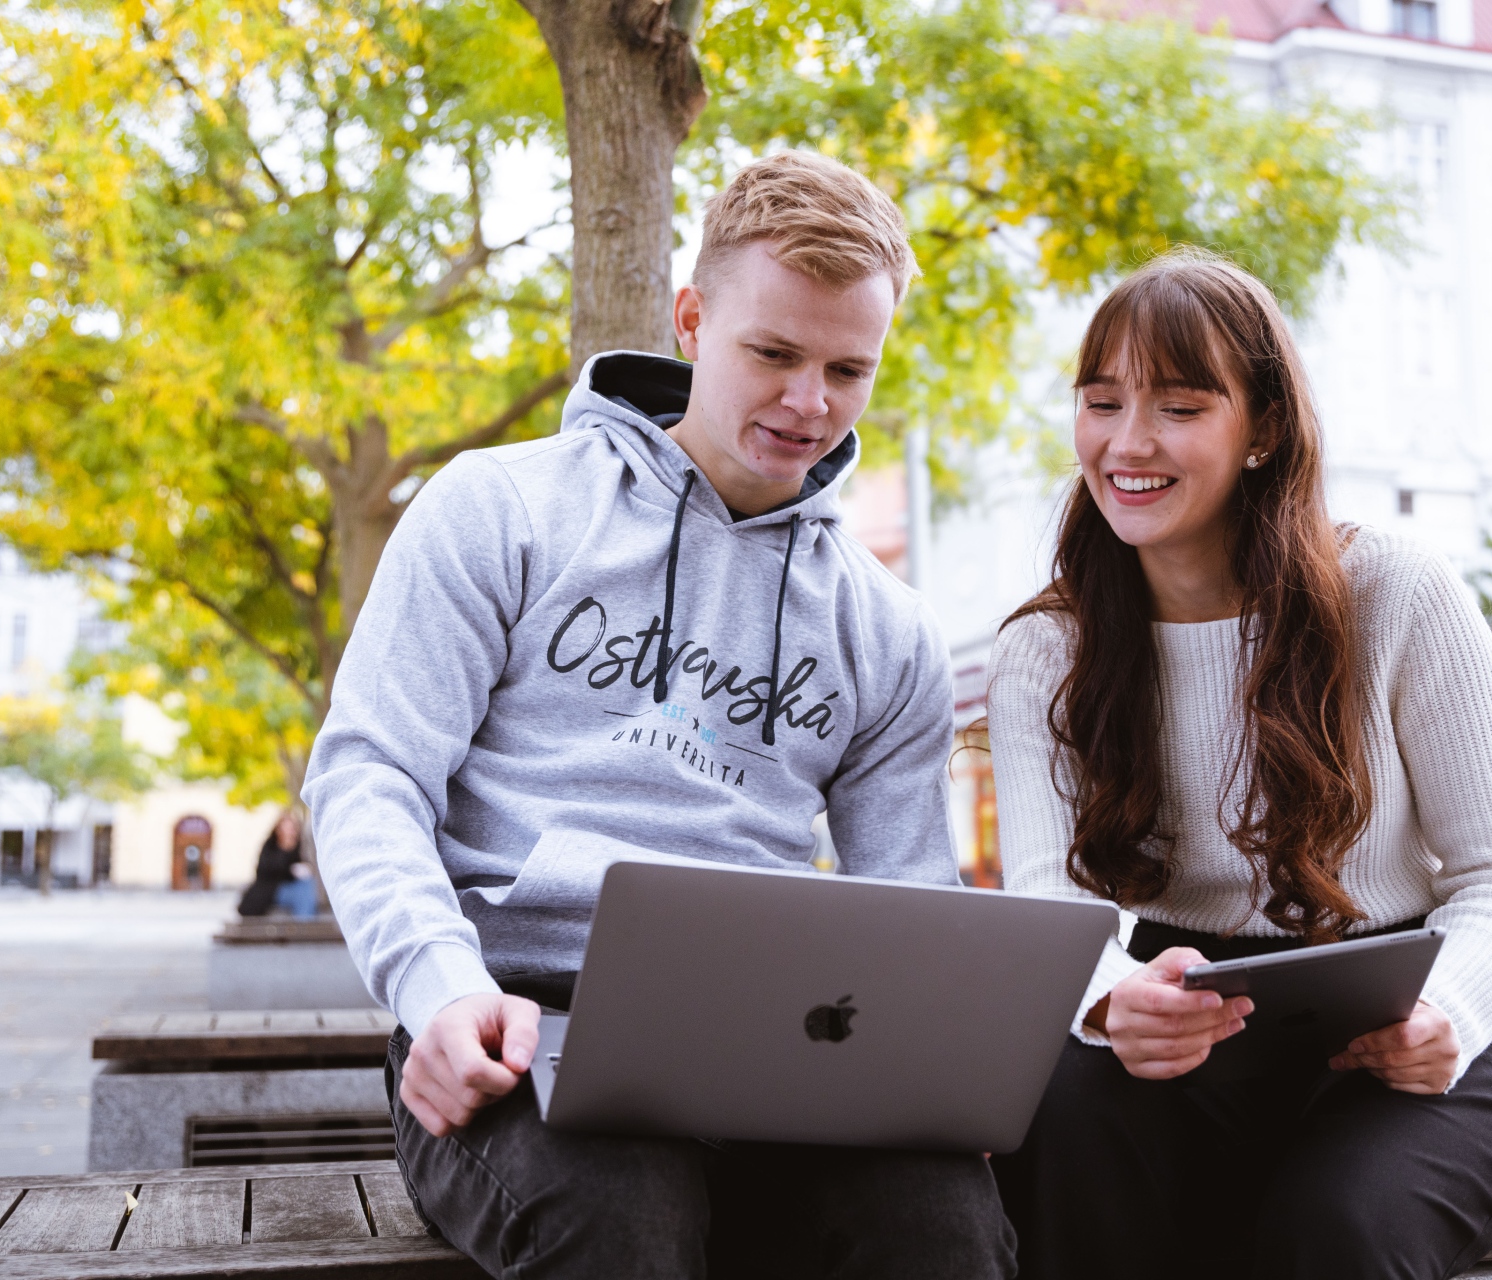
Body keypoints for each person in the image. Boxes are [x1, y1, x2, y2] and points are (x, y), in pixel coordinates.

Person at [301, 151, 1014, 1279]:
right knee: (624, 1211)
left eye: (847, 368)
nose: (808, 402)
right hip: (512, 1025)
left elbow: (909, 898)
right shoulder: (502, 508)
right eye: (772, 353)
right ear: (692, 319)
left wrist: (941, 1061)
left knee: (942, 1218)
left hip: (782, 1042)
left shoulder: (888, 629)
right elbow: (368, 775)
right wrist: (438, 986)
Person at [984, 248, 1492, 1280]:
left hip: (1400, 1017)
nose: (1128, 441)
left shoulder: (1396, 592)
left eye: (1180, 406)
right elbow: (1046, 895)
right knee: (1060, 1138)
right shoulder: (1047, 648)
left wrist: (1452, 1014)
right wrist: (1109, 997)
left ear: (1266, 431)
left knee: (1336, 1227)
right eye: (1102, 401)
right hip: (1179, 1013)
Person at [236, 813, 317, 920]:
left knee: (307, 884)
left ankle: (305, 923)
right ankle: (304, 923)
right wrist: (289, 866)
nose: (290, 832)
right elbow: (265, 870)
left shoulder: (299, 847)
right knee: (303, 892)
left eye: (292, 828)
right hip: (271, 889)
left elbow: (307, 866)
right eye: (287, 828)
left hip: (293, 888)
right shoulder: (270, 846)